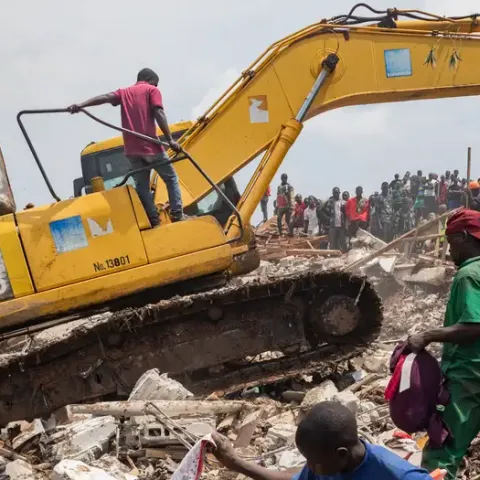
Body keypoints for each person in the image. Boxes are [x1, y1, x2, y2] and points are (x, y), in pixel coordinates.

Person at [408, 210, 480, 479]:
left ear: (464, 236)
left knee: (443, 452)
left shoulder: (468, 275)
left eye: (451, 242)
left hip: (468, 377)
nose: (449, 251)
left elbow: (473, 326)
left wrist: (427, 335)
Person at [68, 68, 186, 226]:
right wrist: (171, 140)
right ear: (150, 80)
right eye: (156, 84)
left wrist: (81, 105)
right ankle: (177, 214)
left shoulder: (124, 93)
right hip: (151, 146)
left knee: (142, 186)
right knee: (171, 178)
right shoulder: (151, 90)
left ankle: (153, 220)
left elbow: (105, 97)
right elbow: (159, 113)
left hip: (133, 151)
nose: (157, 87)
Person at [212, 401, 433, 479]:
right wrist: (235, 462)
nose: (308, 466)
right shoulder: (328, 466)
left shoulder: (397, 474)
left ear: (341, 455)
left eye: (312, 461)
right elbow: (292, 479)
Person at [325, 187, 347, 252]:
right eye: (335, 193)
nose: (336, 194)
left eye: (337, 193)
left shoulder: (343, 202)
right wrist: (328, 218)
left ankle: (345, 257)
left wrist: (345, 224)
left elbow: (346, 214)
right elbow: (323, 209)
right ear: (333, 193)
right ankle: (333, 257)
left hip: (341, 226)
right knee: (333, 243)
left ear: (339, 193)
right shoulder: (330, 203)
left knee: (343, 242)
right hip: (333, 226)